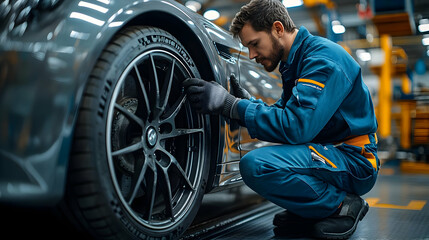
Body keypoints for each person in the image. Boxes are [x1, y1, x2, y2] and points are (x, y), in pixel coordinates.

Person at [182, 0, 379, 238]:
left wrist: (231, 105)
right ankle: (315, 209)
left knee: (257, 166)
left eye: (255, 44)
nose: (252, 54)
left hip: (354, 160)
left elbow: (297, 127)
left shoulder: (322, 60)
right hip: (330, 153)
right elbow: (286, 113)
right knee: (269, 161)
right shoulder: (295, 61)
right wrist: (248, 104)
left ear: (277, 29)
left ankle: (341, 205)